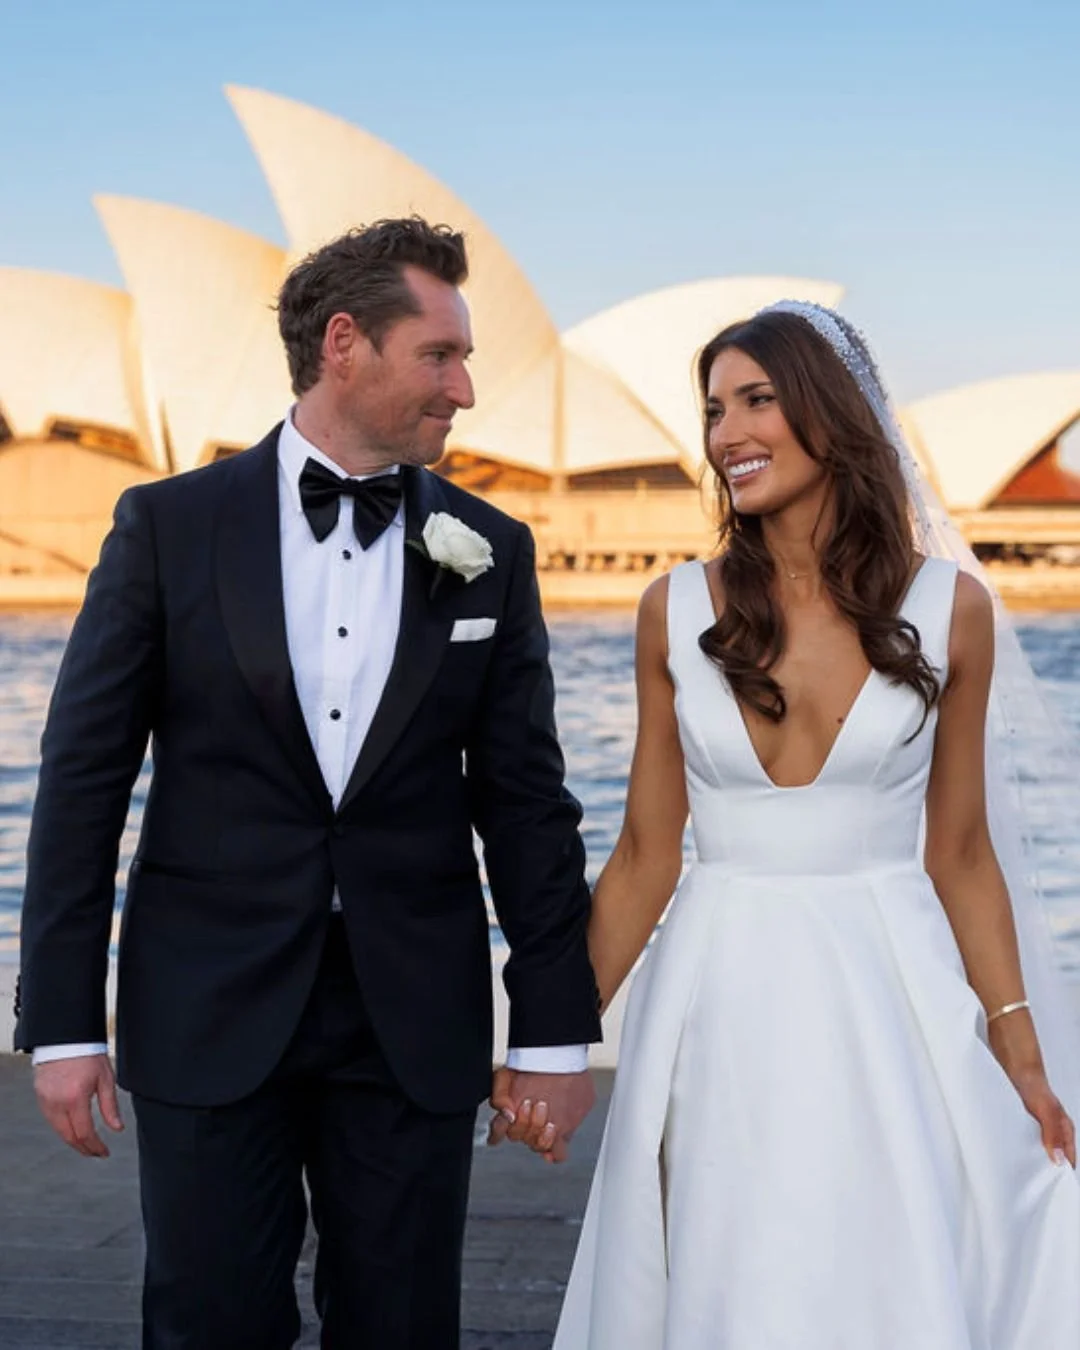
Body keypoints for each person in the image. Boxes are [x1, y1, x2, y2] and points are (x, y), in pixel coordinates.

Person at [14, 216, 600, 1350]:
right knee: (208, 1321)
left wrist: (553, 1034)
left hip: (413, 1022)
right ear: (345, 344)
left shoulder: (492, 546)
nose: (466, 389)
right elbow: (82, 785)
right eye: (441, 355)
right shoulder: (166, 526)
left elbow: (527, 806)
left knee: (402, 1326)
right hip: (207, 1006)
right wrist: (63, 1022)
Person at [552, 302, 1080, 1348]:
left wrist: (1020, 1053)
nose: (726, 435)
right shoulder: (673, 610)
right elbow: (646, 859)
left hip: (891, 998)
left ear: (832, 417)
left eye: (757, 400)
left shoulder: (952, 611)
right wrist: (548, 1041)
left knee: (887, 1262)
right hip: (717, 998)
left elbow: (962, 854)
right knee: (726, 1264)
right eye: (712, 410)